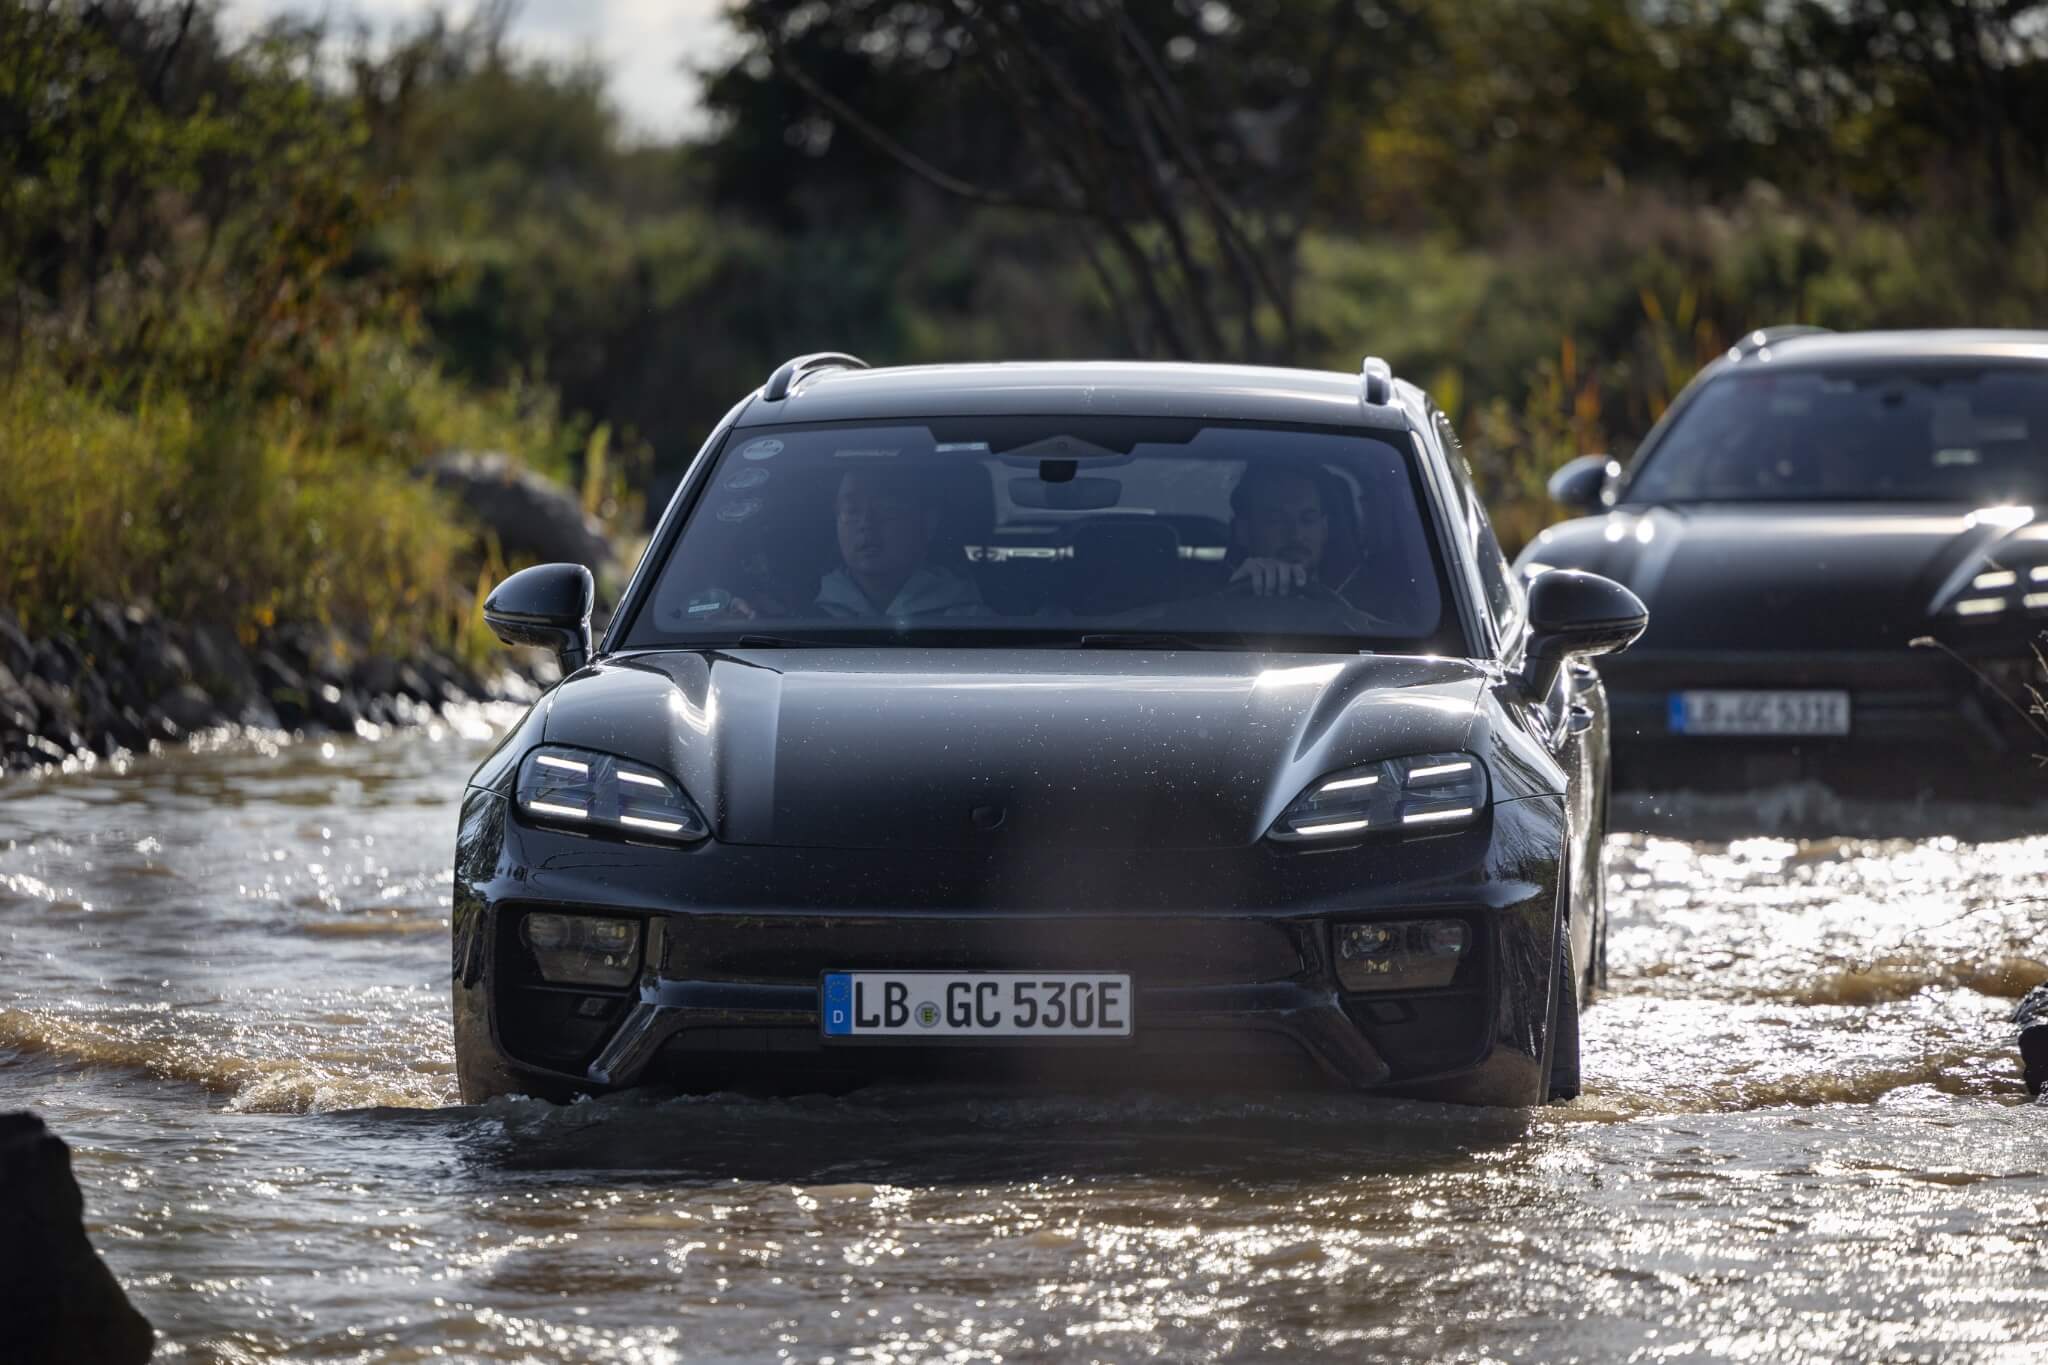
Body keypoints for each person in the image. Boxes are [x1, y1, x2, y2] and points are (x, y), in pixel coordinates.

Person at [811, 466, 987, 618]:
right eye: (851, 511)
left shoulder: (975, 623)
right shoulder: (803, 616)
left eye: (887, 508)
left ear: (928, 521)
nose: (866, 523)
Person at [1225, 462, 1364, 599]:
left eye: (1308, 519)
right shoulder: (1210, 603)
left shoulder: (1359, 598)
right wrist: (1233, 598)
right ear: (1243, 531)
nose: (1296, 535)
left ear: (1324, 529)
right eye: (1276, 520)